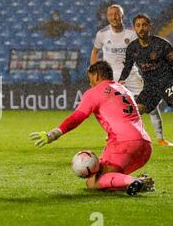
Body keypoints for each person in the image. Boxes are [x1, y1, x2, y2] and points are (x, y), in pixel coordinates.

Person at [30, 61, 155, 196]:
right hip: (145, 146)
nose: (89, 83)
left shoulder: (94, 92)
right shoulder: (123, 90)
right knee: (108, 180)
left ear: (96, 76)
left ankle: (136, 181)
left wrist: (54, 134)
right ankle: (136, 183)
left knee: (94, 182)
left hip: (124, 144)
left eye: (90, 79)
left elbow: (77, 117)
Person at [91, 5, 172, 146]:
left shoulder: (144, 37)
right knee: (122, 109)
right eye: (111, 15)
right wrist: (99, 74)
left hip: (148, 78)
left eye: (117, 14)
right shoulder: (105, 35)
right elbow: (97, 53)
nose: (114, 17)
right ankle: (116, 136)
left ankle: (160, 138)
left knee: (152, 107)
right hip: (121, 79)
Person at [119, 13, 173, 119]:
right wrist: (121, 80)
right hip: (151, 87)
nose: (141, 28)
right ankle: (127, 135)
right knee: (134, 112)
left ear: (150, 26)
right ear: (134, 27)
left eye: (144, 25)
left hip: (168, 83)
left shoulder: (162, 45)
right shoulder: (132, 48)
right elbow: (127, 67)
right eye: (138, 25)